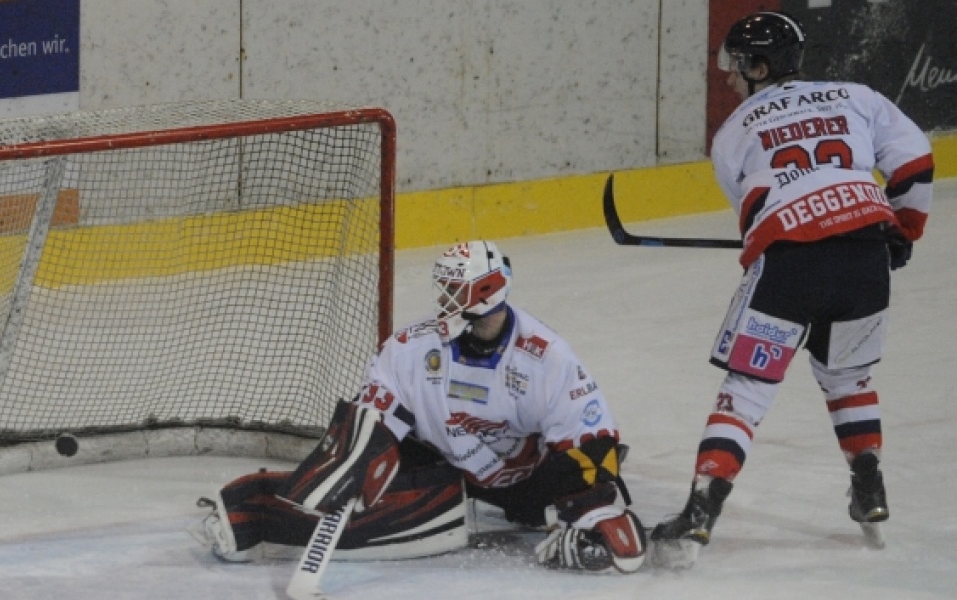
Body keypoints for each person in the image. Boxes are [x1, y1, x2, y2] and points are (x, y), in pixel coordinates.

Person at [650, 11, 934, 567]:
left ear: (759, 67)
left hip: (790, 272)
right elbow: (916, 164)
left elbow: (760, 214)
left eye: (737, 67)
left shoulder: (732, 134)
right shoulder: (855, 96)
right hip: (864, 262)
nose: (730, 79)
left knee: (748, 390)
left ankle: (701, 511)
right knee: (848, 377)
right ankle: (868, 483)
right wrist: (902, 232)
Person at [193, 241, 648, 574]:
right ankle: (249, 513)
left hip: (528, 484)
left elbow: (593, 445)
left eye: (456, 295)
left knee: (598, 517)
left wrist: (587, 531)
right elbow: (372, 417)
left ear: (485, 297)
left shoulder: (546, 358)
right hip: (446, 466)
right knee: (368, 498)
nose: (445, 304)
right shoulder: (412, 348)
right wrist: (361, 455)